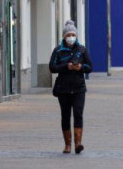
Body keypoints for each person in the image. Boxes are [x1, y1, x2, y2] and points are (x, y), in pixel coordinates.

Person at [49, 22, 93, 154]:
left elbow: (90, 67)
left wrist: (81, 68)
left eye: (73, 35)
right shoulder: (58, 51)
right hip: (63, 88)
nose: (71, 37)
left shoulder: (82, 49)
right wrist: (66, 66)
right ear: (64, 36)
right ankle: (67, 144)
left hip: (79, 88)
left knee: (78, 114)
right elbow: (52, 67)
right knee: (65, 115)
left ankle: (78, 143)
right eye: (68, 35)